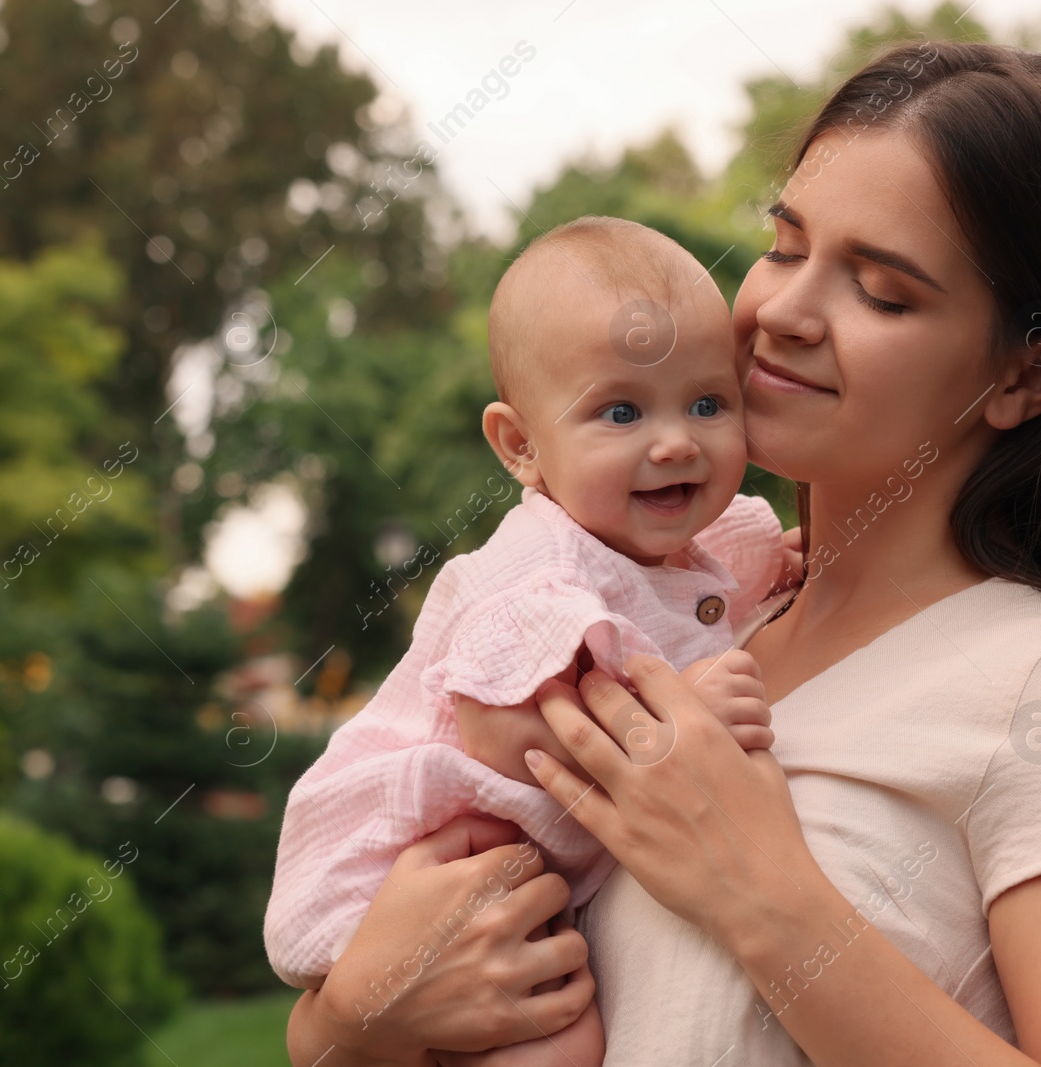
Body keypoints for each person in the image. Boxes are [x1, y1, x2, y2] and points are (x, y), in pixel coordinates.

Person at [284, 39, 1041, 1066]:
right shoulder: (687, 620)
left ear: (1025, 372)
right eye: (785, 247)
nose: (781, 312)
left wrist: (765, 898)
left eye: (879, 290)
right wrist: (354, 1022)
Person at [266, 216, 799, 1066]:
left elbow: (715, 586)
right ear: (521, 445)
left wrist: (787, 565)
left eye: (708, 402)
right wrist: (675, 716)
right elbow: (498, 730)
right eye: (620, 411)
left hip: (515, 877)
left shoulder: (679, 543)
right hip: (428, 862)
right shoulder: (540, 568)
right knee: (556, 1037)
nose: (674, 439)